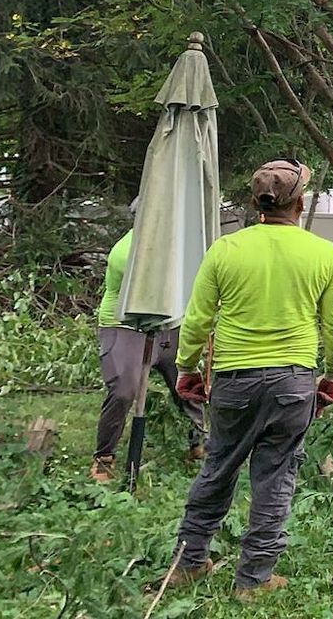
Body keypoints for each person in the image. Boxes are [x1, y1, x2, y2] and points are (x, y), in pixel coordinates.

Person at [164, 159, 333, 602]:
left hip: (233, 381)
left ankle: (188, 563)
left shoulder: (225, 249)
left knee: (218, 467)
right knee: (276, 477)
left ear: (254, 202)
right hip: (293, 383)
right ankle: (254, 578)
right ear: (300, 203)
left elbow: (197, 320)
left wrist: (187, 369)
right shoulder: (322, 253)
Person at [92, 200, 206, 484]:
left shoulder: (175, 246)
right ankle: (104, 458)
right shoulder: (126, 253)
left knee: (187, 383)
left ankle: (199, 443)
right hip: (125, 324)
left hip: (167, 323)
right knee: (124, 390)